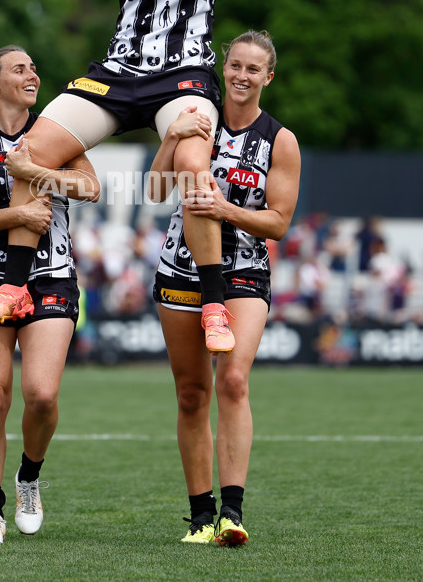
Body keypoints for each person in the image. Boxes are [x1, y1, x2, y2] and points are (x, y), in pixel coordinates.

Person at [0, 0, 292, 349]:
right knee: (31, 153)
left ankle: (213, 304)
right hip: (118, 73)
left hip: (183, 76)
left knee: (192, 171)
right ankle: (13, 286)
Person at [149, 30, 301, 545]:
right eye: (235, 65)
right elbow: (154, 190)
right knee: (192, 393)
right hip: (180, 268)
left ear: (268, 77)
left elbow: (278, 223)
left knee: (233, 380)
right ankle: (199, 516)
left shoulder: (280, 140)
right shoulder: (195, 119)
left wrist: (226, 210)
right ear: (223, 66)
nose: (241, 76)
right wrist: (172, 135)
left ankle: (232, 514)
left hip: (243, 272)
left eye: (253, 69)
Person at [0, 45, 100, 545]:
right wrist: (17, 214)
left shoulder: (57, 133)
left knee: (42, 394)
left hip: (53, 276)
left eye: (34, 67)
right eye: (19, 69)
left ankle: (29, 477)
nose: (32, 74)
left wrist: (35, 172)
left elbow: (89, 187)